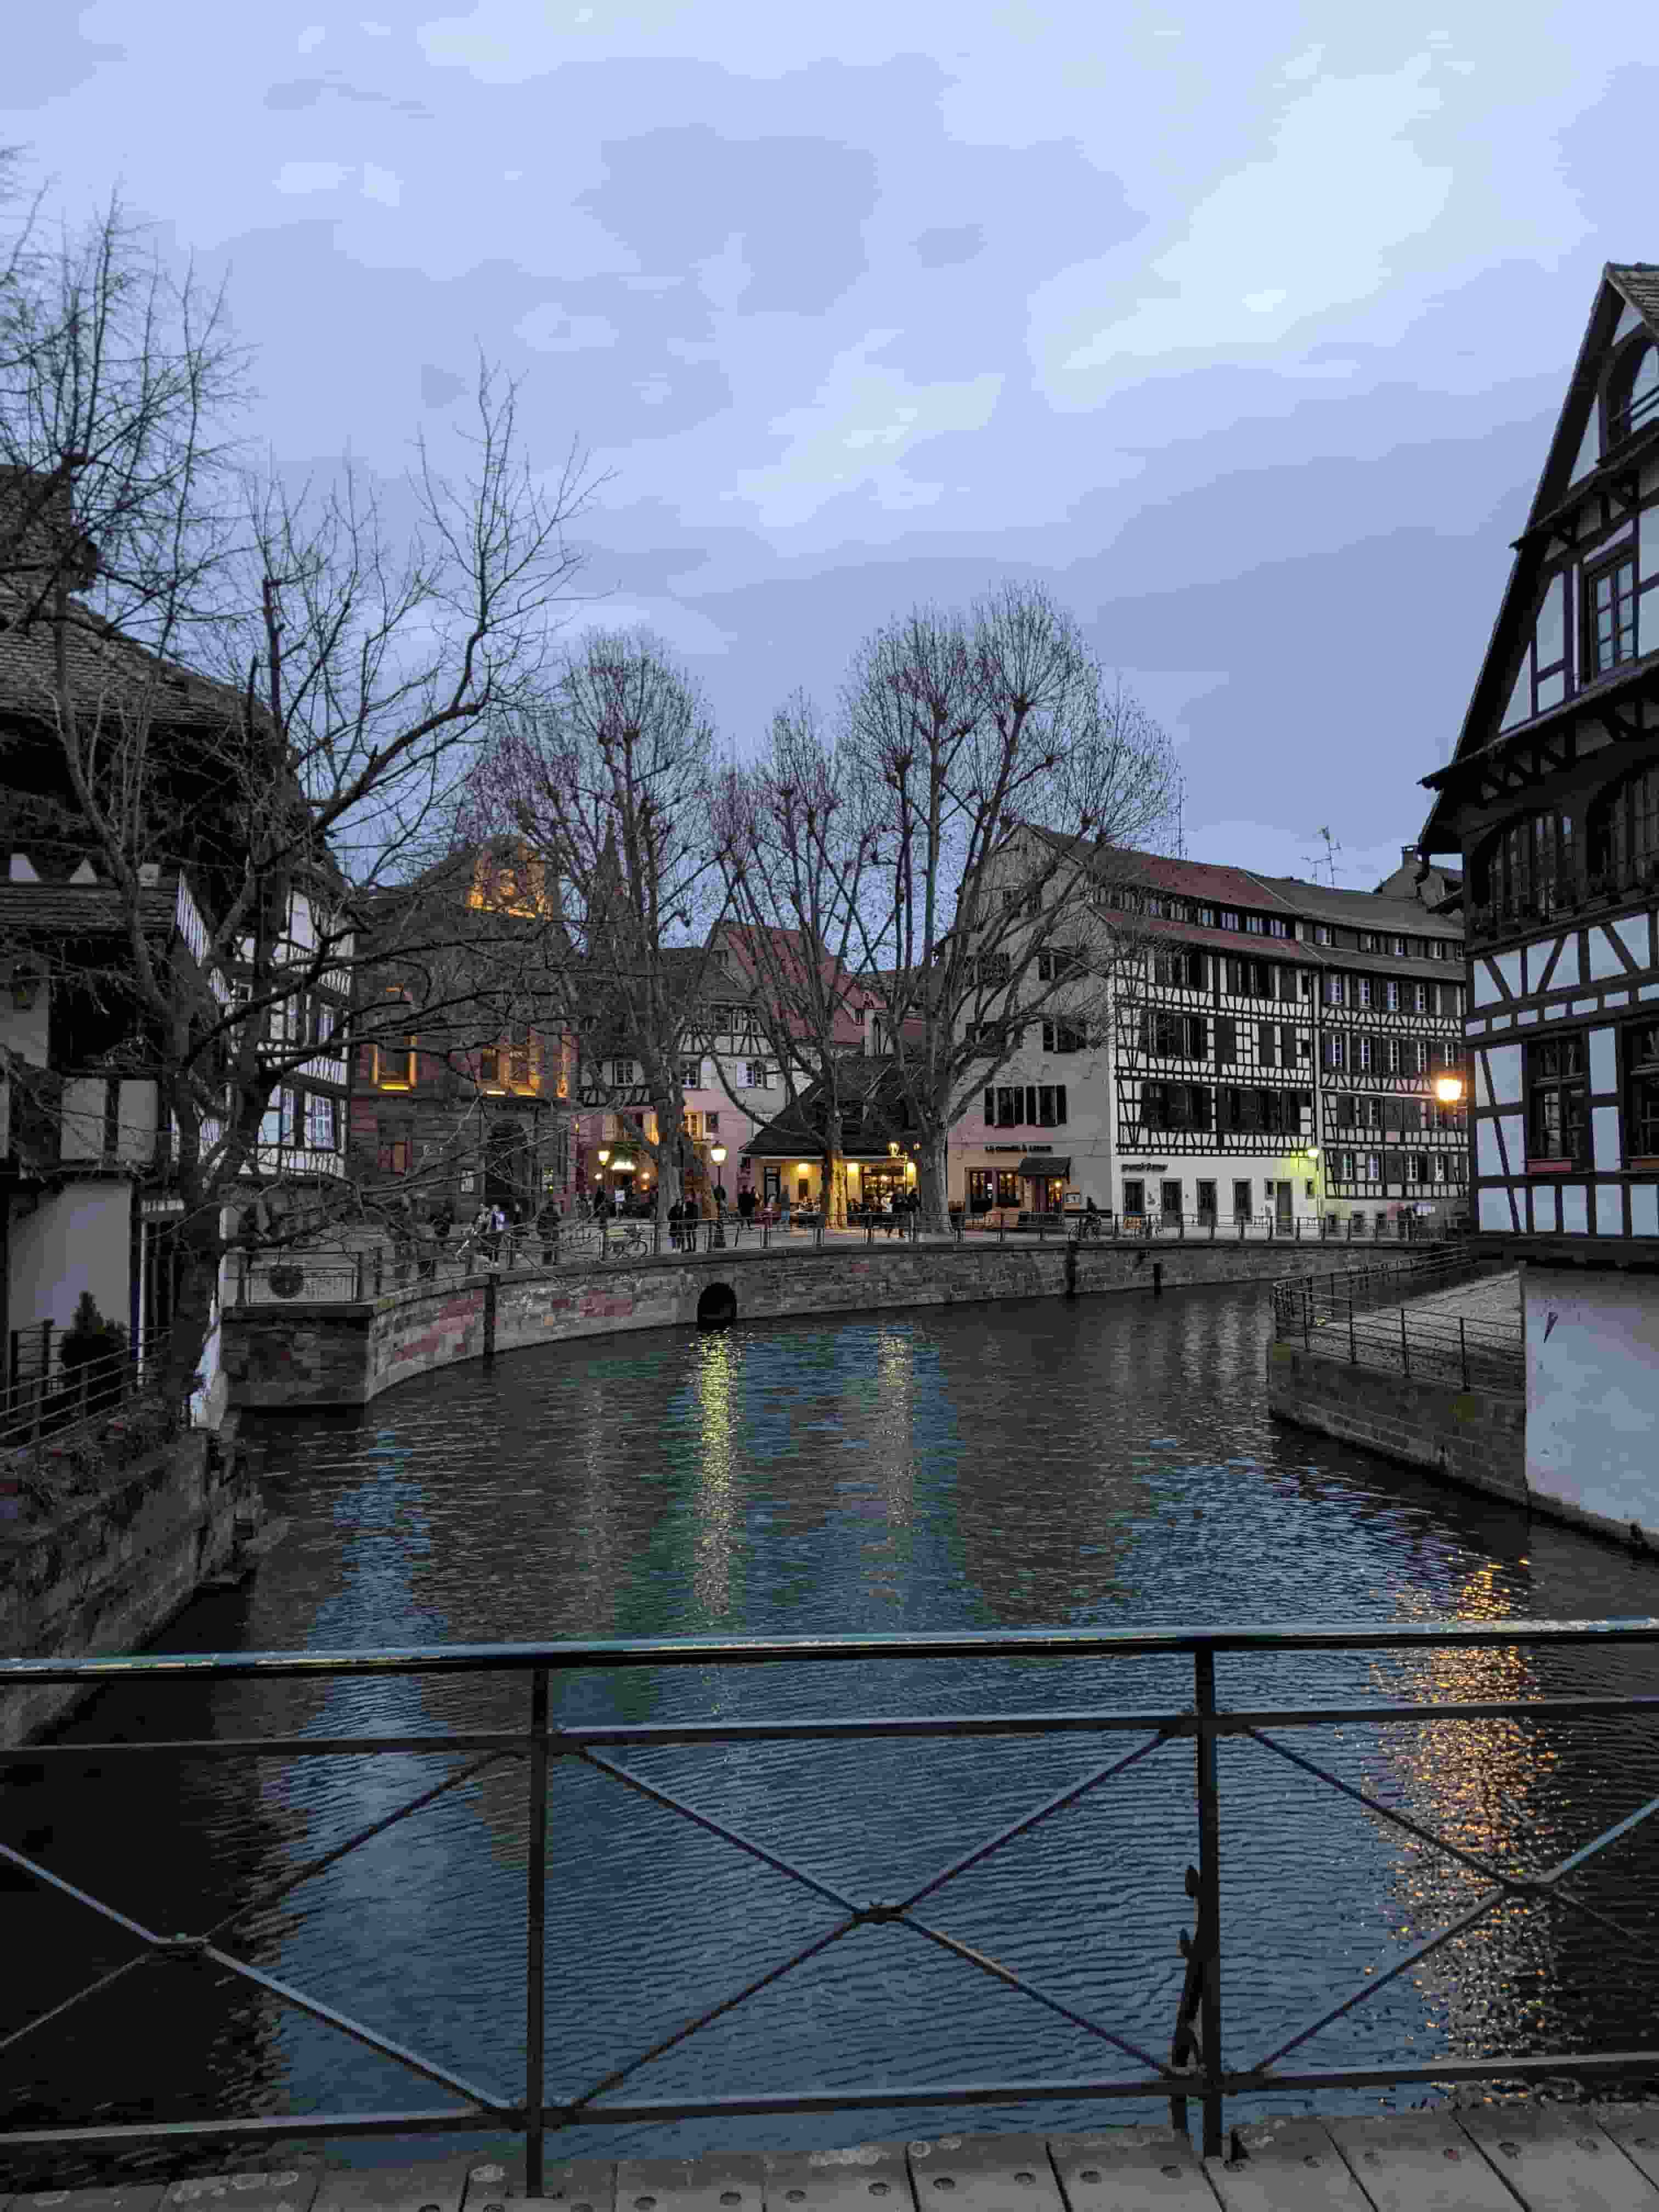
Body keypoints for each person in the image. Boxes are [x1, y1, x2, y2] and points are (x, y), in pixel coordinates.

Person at [536, 1198, 561, 1265]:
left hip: (553, 1232)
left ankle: (556, 1261)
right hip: (547, 1232)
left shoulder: (554, 1211)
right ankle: (547, 1262)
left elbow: (559, 1219)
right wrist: (541, 1232)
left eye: (553, 1205)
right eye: (552, 1205)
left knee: (556, 1246)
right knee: (548, 1248)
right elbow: (539, 1223)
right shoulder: (544, 1212)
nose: (552, 1206)